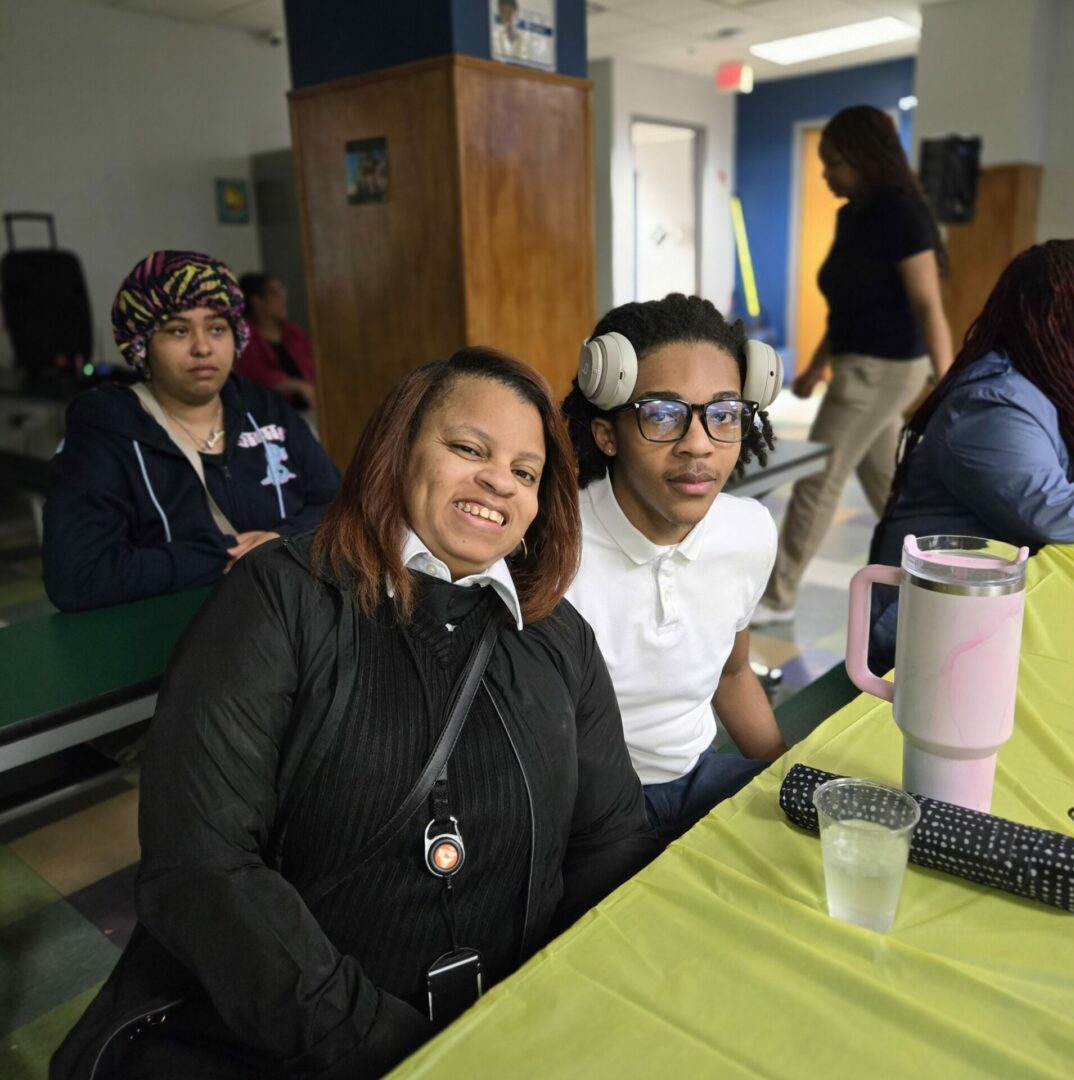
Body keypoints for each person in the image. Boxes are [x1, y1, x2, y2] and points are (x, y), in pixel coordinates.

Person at [51, 348, 657, 1079]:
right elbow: (202, 865)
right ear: (398, 451)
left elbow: (611, 839)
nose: (500, 480)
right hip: (302, 1047)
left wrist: (561, 1009)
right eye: (469, 449)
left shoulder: (558, 636)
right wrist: (388, 1049)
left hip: (514, 1035)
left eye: (526, 473)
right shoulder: (280, 599)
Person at [562, 294, 787, 841]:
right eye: (662, 414)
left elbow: (733, 674)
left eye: (724, 415)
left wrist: (785, 778)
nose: (698, 446)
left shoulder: (750, 531)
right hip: (588, 809)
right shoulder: (556, 551)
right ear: (606, 434)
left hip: (699, 777)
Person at [42, 251, 340, 611]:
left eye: (217, 329)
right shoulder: (105, 432)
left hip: (285, 621)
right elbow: (77, 576)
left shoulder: (265, 409)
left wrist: (280, 539)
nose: (202, 347)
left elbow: (338, 506)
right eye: (179, 331)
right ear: (141, 344)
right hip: (164, 634)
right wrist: (223, 556)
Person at [752, 104, 953, 626]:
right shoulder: (852, 216)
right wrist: (818, 364)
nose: (826, 174)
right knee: (888, 486)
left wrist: (951, 381)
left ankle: (778, 596)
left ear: (865, 158)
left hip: (883, 370)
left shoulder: (902, 213)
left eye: (834, 163)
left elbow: (928, 305)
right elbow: (848, 305)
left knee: (817, 477)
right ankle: (934, 574)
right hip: (855, 364)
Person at [867, 240, 1074, 674]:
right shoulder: (992, 404)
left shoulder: (1051, 385)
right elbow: (1054, 514)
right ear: (1061, 318)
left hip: (982, 615)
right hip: (928, 636)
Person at [236, 272, 318, 411]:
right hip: (271, 411)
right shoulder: (246, 337)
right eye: (274, 293)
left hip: (309, 406)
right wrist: (298, 386)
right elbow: (259, 377)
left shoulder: (291, 332)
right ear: (257, 301)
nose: (282, 298)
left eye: (282, 291)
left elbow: (312, 361)